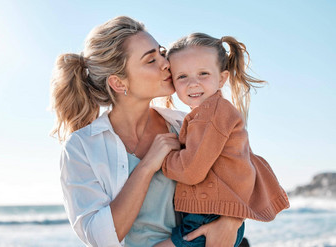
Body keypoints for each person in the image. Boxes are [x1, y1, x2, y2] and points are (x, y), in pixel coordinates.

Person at [50, 17, 245, 247]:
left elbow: (234, 174)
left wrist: (232, 221)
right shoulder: (81, 147)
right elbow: (100, 239)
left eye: (161, 53)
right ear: (119, 83)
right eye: (151, 60)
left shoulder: (184, 125)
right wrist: (147, 165)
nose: (165, 63)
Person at [155, 33, 290, 247]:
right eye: (182, 76)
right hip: (217, 214)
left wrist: (162, 158)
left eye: (203, 73)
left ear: (222, 78)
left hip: (209, 216)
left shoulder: (210, 114)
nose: (193, 84)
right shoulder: (214, 111)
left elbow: (191, 170)